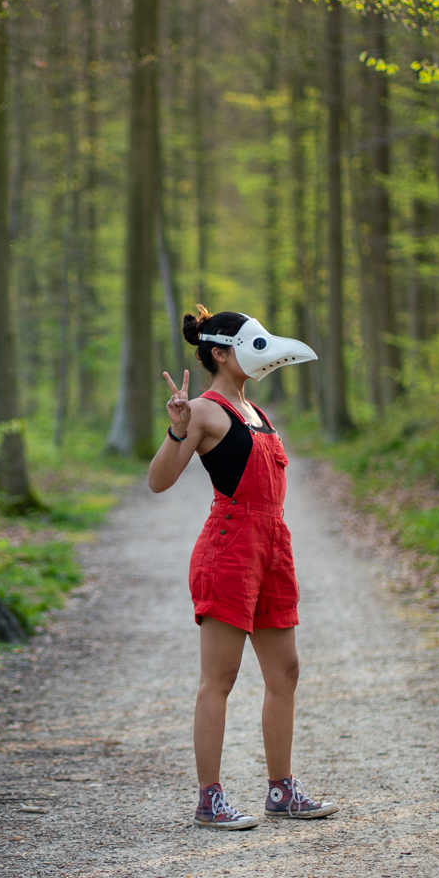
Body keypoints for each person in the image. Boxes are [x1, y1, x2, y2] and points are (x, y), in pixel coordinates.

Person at [147, 306, 337, 831]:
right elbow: (158, 482)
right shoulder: (206, 411)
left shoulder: (256, 410)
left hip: (273, 546)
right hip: (229, 550)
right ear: (220, 353)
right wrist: (176, 429)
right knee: (220, 679)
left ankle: (282, 790)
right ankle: (210, 799)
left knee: (286, 673)